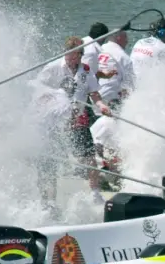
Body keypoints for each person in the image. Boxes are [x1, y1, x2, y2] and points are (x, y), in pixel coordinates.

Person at [33, 36, 113, 208]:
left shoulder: (85, 70)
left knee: (90, 158)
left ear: (80, 55)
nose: (70, 59)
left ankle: (95, 194)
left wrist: (102, 106)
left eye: (74, 56)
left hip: (78, 120)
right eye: (68, 55)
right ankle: (49, 201)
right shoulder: (53, 67)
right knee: (50, 161)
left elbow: (94, 95)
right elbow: (37, 88)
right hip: (54, 123)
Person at [96, 29, 135, 114]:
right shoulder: (124, 57)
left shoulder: (99, 49)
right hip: (108, 103)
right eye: (125, 37)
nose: (127, 41)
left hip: (93, 98)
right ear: (119, 38)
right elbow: (129, 88)